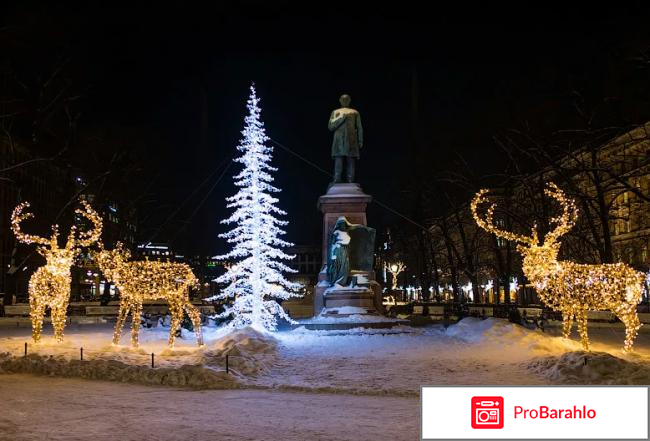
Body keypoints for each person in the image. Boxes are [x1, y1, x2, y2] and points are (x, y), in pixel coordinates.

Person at [328, 94, 363, 183]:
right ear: (340, 100)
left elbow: (359, 127)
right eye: (343, 99)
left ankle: (351, 180)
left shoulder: (355, 112)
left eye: (347, 99)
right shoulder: (335, 112)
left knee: (351, 159)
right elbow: (330, 127)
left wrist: (360, 140)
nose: (345, 101)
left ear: (349, 100)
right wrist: (341, 117)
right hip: (339, 139)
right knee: (338, 159)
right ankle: (337, 179)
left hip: (351, 139)